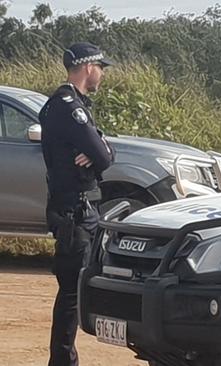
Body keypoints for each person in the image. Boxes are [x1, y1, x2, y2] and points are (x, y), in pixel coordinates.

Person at [39, 42, 114, 366]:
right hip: (74, 212)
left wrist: (100, 152)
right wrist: (99, 153)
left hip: (79, 209)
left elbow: (103, 150)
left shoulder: (70, 105)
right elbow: (103, 156)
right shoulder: (68, 107)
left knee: (76, 290)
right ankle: (62, 361)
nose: (101, 74)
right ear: (87, 67)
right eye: (100, 67)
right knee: (71, 294)